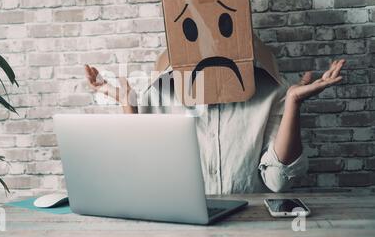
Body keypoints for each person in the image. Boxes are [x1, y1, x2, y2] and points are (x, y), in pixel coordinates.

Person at [84, 58, 345, 195]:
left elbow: (278, 182)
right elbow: (142, 177)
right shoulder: (158, 94)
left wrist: (293, 103)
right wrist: (126, 103)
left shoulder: (271, 91)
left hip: (251, 229)